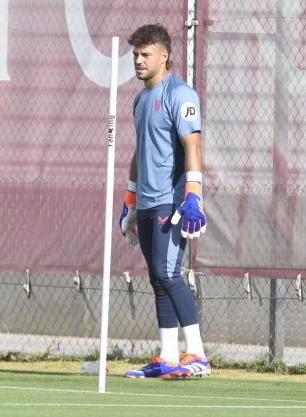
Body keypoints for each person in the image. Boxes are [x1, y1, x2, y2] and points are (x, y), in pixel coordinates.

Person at [119, 24, 210, 379]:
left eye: (145, 55)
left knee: (168, 273)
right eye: (135, 55)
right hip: (145, 202)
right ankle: (168, 358)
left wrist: (193, 195)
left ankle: (197, 354)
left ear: (164, 55)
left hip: (171, 204)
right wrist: (129, 201)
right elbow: (139, 152)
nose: (139, 61)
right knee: (157, 277)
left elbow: (193, 146)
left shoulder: (181, 95)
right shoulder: (140, 99)